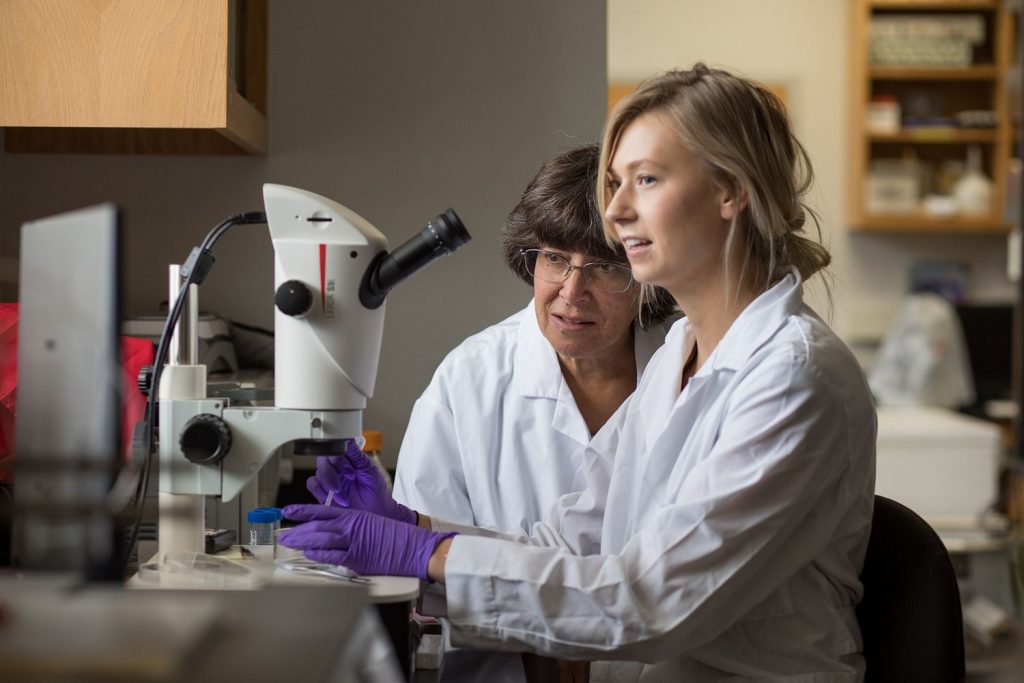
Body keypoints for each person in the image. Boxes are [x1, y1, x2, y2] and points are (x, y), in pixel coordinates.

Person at [281, 63, 877, 681]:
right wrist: (412, 529)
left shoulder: (793, 379)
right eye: (615, 183)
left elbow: (649, 600)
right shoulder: (681, 352)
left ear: (732, 191)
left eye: (645, 179)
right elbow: (578, 546)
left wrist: (424, 553)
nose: (616, 210)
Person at [310, 144, 675, 681]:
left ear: (647, 267)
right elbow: (425, 586)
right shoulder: (471, 380)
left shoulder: (685, 367)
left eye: (606, 266)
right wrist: (410, 528)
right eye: (554, 259)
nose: (572, 293)